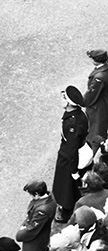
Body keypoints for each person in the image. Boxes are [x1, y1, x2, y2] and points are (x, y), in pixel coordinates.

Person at [53, 85, 89, 222]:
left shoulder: (72, 123)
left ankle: (66, 209)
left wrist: (73, 170)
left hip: (69, 157)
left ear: (68, 102)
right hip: (76, 150)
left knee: (66, 186)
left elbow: (72, 148)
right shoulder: (79, 114)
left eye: (64, 97)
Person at [15, 179, 56, 251]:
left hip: (35, 240)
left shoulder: (42, 210)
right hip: (39, 236)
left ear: (37, 194)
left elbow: (31, 229)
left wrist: (20, 233)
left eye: (31, 194)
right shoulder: (48, 199)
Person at [84, 49, 108, 150]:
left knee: (95, 130)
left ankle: (93, 152)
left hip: (98, 107)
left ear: (95, 60)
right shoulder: (105, 69)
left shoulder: (99, 77)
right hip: (105, 102)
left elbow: (91, 94)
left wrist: (82, 101)